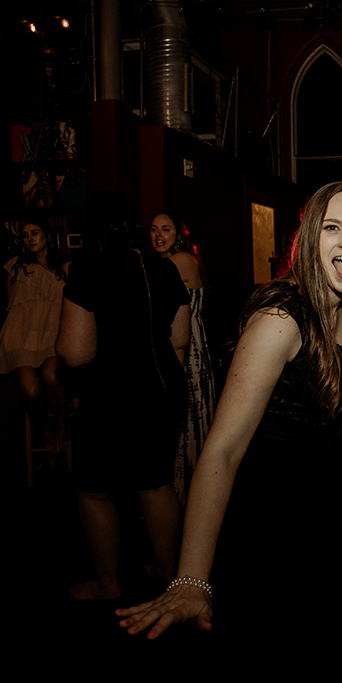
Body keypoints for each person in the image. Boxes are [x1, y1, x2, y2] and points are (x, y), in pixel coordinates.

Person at [115, 181, 342, 683]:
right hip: (268, 533)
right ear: (308, 239)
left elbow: (333, 375)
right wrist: (192, 577)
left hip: (314, 519)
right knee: (284, 675)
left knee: (341, 652)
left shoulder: (340, 309)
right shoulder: (281, 319)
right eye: (333, 227)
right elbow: (221, 449)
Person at [56, 193, 190, 601]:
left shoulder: (88, 270)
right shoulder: (164, 268)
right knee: (157, 483)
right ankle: (168, 572)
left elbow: (75, 353)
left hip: (110, 396)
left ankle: (107, 584)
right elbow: (180, 340)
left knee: (95, 490)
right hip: (163, 389)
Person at [150, 210, 216, 505]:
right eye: (153, 229)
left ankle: (192, 498)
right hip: (173, 345)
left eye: (165, 229)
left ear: (178, 234)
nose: (158, 235)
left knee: (189, 420)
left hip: (189, 348)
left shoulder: (182, 261)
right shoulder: (162, 263)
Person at [0, 219, 71, 454]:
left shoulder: (66, 268)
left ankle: (64, 425)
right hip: (22, 333)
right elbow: (11, 305)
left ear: (48, 236)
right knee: (30, 390)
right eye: (25, 235)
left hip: (52, 332)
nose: (30, 238)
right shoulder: (16, 267)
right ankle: (45, 430)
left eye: (35, 233)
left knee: (51, 376)